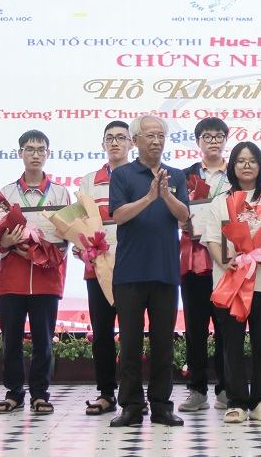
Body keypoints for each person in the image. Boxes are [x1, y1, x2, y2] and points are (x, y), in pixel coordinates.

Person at [201, 142, 261, 424]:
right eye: (240, 161)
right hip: (230, 282)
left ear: (260, 165)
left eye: (252, 160)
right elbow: (212, 239)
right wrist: (225, 261)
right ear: (232, 166)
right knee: (231, 344)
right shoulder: (220, 201)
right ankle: (237, 401)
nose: (246, 165)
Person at [108, 114, 188, 428]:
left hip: (165, 271)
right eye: (150, 136)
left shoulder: (175, 176)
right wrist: (149, 197)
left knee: (163, 344)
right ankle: (130, 406)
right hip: (129, 272)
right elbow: (119, 215)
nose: (156, 141)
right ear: (136, 141)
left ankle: (161, 406)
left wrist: (166, 195)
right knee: (130, 344)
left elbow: (183, 215)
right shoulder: (123, 174)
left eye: (160, 136)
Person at [0, 130, 70, 416]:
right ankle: (14, 393)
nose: (35, 155)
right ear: (20, 153)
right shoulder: (5, 194)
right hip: (11, 279)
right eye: (29, 149)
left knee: (43, 341)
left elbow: (67, 236)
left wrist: (45, 251)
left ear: (48, 154)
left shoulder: (61, 194)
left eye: (40, 150)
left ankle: (40, 394)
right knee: (10, 340)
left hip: (46, 279)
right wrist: (5, 243)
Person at [78, 121, 132, 416]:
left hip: (133, 265)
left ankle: (133, 394)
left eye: (121, 138)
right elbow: (79, 222)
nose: (115, 143)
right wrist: (82, 247)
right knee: (102, 332)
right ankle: (106, 393)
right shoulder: (90, 181)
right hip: (98, 267)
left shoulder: (141, 176)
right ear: (103, 144)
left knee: (131, 332)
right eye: (109, 138)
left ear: (131, 144)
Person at [179, 117, 229, 412]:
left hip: (226, 261)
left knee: (226, 327)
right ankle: (197, 390)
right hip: (194, 260)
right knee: (195, 328)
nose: (213, 141)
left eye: (218, 136)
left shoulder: (235, 175)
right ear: (198, 142)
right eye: (207, 136)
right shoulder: (184, 176)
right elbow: (174, 211)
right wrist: (180, 221)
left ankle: (226, 388)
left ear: (225, 140)